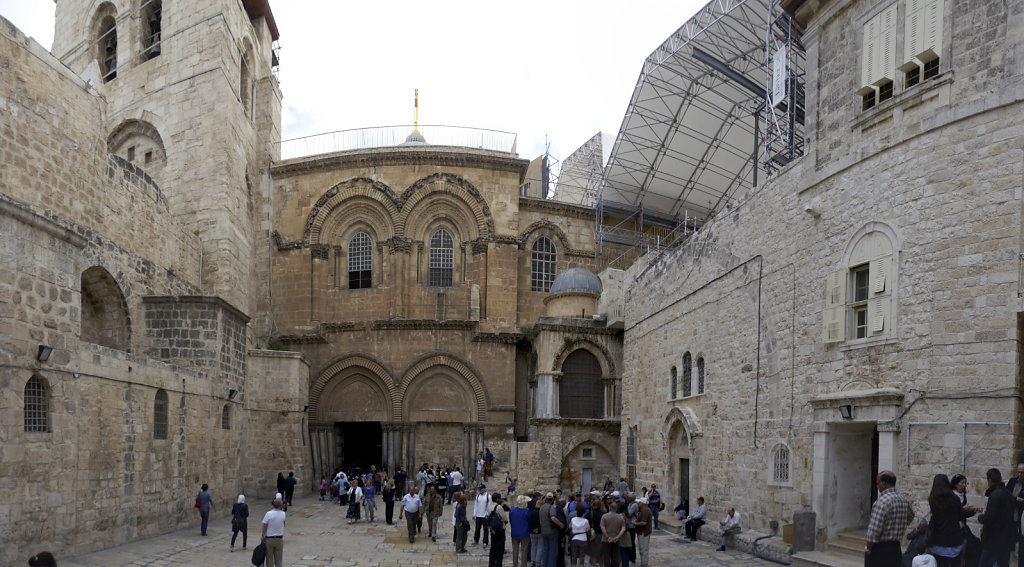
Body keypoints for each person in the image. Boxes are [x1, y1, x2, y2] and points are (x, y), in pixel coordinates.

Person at [865, 470, 914, 567]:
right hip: (895, 549)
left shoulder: (881, 502)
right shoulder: (904, 500)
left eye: (877, 483)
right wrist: (900, 524)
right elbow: (911, 516)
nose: (877, 486)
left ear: (884, 484)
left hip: (880, 550)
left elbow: (873, 532)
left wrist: (868, 548)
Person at [926, 474, 965, 567]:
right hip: (954, 539)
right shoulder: (955, 498)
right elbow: (960, 517)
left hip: (939, 541)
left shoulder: (933, 500)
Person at [978, 468, 1014, 567]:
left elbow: (990, 517)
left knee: (984, 564)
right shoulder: (1007, 493)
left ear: (990, 480)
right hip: (1005, 539)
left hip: (993, 541)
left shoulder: (995, 495)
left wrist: (980, 517)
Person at [951, 474, 982, 567]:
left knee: (976, 545)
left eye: (965, 483)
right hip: (954, 529)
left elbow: (963, 515)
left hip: (963, 527)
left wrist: (973, 511)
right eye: (962, 483)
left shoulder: (963, 496)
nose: (964, 485)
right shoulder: (952, 497)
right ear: (956, 485)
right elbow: (953, 514)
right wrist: (963, 509)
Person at [261, 497, 286, 567]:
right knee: (279, 560)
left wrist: (262, 535)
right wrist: (282, 506)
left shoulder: (268, 514)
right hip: (279, 539)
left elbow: (264, 525)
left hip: (269, 539)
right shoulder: (283, 514)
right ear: (281, 506)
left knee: (269, 559)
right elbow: (282, 511)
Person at [600, 501, 627, 567]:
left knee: (606, 556)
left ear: (609, 508)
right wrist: (617, 537)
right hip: (616, 540)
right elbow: (623, 528)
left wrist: (607, 536)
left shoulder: (604, 516)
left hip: (606, 540)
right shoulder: (620, 517)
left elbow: (602, 527)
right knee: (615, 557)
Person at [510, 494, 531, 567]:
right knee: (524, 551)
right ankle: (523, 565)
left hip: (515, 532)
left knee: (515, 551)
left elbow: (511, 520)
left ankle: (515, 565)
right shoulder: (527, 511)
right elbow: (529, 521)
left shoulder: (512, 510)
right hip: (524, 533)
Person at [539, 492, 560, 567]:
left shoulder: (541, 507)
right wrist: (560, 524)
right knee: (553, 551)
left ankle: (544, 564)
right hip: (551, 531)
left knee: (545, 550)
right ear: (552, 500)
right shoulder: (551, 508)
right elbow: (553, 518)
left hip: (543, 531)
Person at [488, 492, 509, 567]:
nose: (501, 500)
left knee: (493, 547)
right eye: (500, 498)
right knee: (500, 549)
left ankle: (491, 563)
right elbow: (505, 519)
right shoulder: (499, 507)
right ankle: (498, 564)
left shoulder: (489, 507)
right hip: (500, 530)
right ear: (497, 499)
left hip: (493, 530)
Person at [634, 498, 653, 565]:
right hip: (642, 532)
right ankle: (643, 563)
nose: (638, 504)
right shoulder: (644, 510)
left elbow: (644, 522)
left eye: (639, 503)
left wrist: (635, 523)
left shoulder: (645, 511)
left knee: (643, 549)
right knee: (642, 549)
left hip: (644, 533)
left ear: (642, 503)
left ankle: (644, 564)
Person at [530, 492, 546, 567]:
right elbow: (543, 523)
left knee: (533, 546)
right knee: (540, 547)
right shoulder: (542, 513)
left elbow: (529, 522)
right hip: (540, 532)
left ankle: (532, 561)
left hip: (532, 532)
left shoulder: (532, 512)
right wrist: (538, 529)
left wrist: (533, 529)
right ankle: (538, 562)